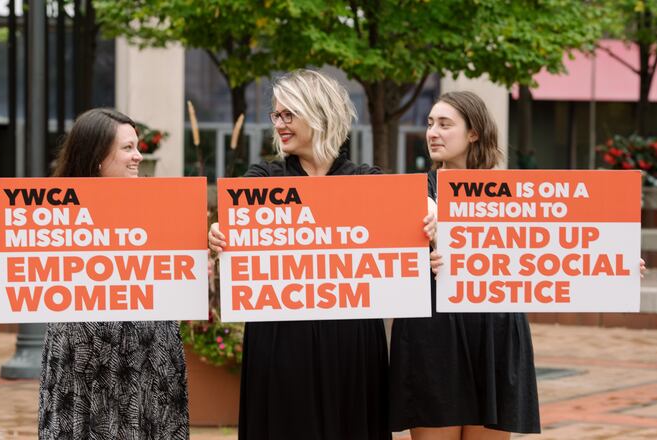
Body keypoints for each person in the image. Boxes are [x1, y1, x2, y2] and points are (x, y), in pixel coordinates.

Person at [207, 69, 390, 440]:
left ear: (319, 114)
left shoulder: (365, 181)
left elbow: (413, 211)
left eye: (288, 114)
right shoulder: (264, 178)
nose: (279, 124)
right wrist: (217, 232)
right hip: (281, 341)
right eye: (277, 115)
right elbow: (233, 217)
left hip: (350, 343)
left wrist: (431, 215)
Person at [0, 108, 189, 440]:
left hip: (148, 353)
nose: (138, 156)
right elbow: (34, 268)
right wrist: (11, 264)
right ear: (96, 156)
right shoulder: (54, 212)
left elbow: (184, 264)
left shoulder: (159, 203)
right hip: (82, 356)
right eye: (127, 148)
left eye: (137, 146)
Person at [389, 91, 541, 440]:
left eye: (444, 124)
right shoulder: (411, 192)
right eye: (429, 124)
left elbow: (545, 250)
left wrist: (614, 267)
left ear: (474, 132)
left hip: (494, 329)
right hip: (432, 331)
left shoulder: (512, 193)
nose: (432, 133)